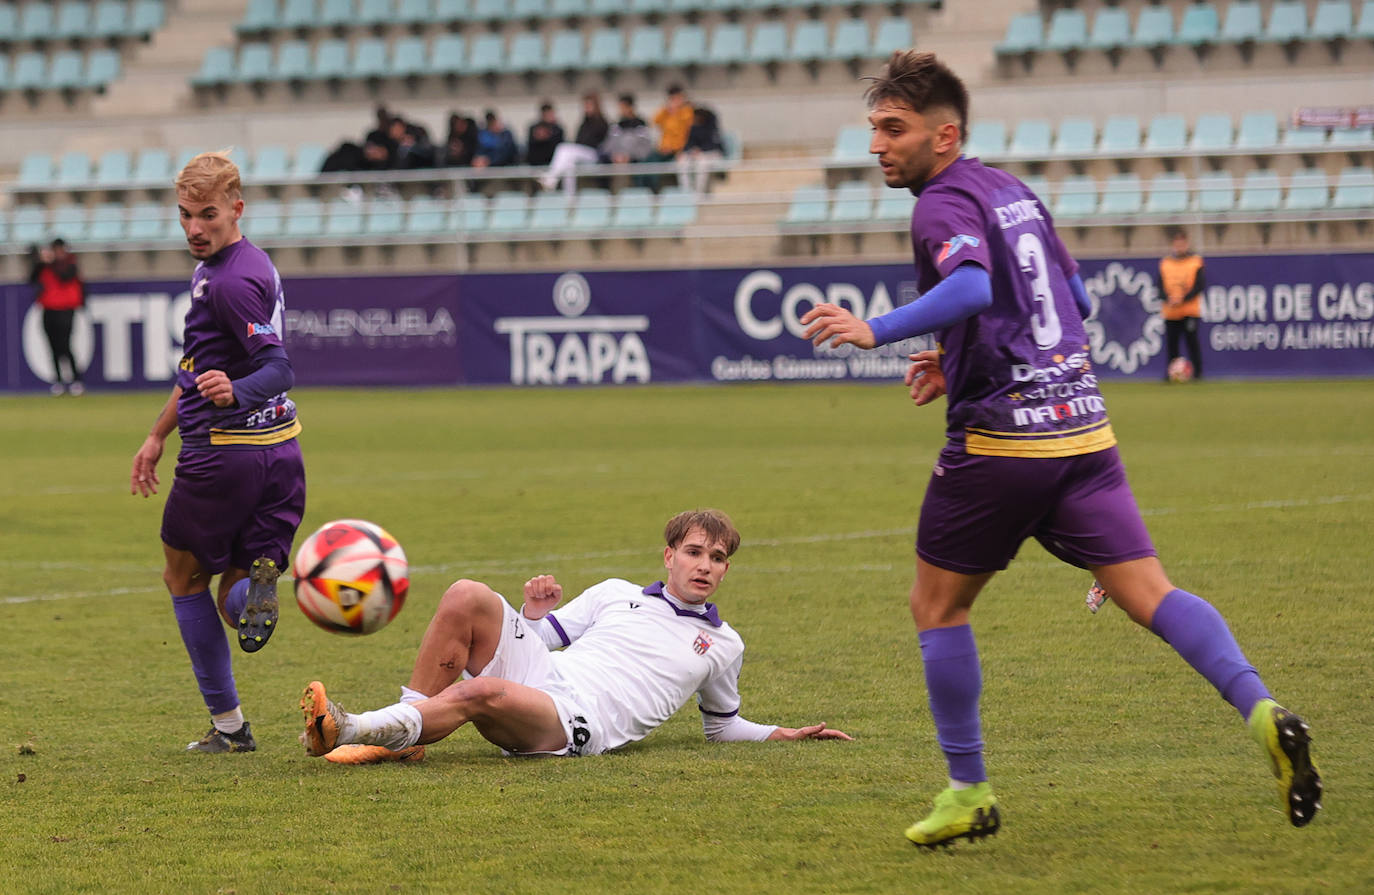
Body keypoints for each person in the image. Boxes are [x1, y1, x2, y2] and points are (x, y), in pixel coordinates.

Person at [798, 51, 1320, 848]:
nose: (877, 144)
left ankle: (968, 789)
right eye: (872, 128)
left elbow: (973, 288)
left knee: (938, 605)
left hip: (1001, 442)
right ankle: (1261, 709)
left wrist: (877, 329)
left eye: (893, 129)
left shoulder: (939, 204)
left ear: (945, 135)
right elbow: (1072, 299)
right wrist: (959, 355)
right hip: (1082, 428)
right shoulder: (1015, 190)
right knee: (1150, 591)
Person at [299, 509, 852, 765]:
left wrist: (780, 734)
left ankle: (348, 728)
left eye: (718, 558)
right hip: (549, 677)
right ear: (669, 555)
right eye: (694, 552)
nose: (705, 565)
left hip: (580, 725)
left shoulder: (725, 645)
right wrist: (532, 613)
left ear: (726, 570)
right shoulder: (615, 592)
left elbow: (722, 726)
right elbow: (539, 637)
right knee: (467, 593)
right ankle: (406, 736)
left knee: (476, 693)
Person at [129, 151, 307, 754]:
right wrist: (157, 434)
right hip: (281, 454)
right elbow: (197, 368)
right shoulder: (248, 262)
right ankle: (251, 590)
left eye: (207, 215)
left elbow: (277, 367)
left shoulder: (227, 281)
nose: (194, 229)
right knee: (235, 599)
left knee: (181, 577)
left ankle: (229, 729)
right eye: (184, 216)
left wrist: (235, 391)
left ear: (237, 207)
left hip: (222, 456)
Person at [30, 238, 86, 396]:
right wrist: (39, 262)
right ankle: (58, 380)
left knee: (65, 345)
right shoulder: (44, 267)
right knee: (52, 346)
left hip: (66, 310)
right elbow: (31, 278)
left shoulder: (70, 264)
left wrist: (51, 263)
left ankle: (76, 379)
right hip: (48, 309)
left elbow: (65, 277)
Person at [537, 93, 609, 196]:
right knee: (569, 165)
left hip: (594, 156)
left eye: (589, 105)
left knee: (563, 148)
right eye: (585, 105)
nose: (586, 108)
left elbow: (598, 144)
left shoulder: (602, 122)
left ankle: (551, 177)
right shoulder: (584, 122)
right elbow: (579, 141)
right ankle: (569, 198)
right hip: (582, 156)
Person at [1158, 229, 1206, 380]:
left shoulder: (1195, 262)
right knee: (1172, 345)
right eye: (1177, 244)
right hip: (1171, 312)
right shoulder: (1165, 263)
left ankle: (1197, 374)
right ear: (1173, 245)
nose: (1179, 247)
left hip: (1189, 310)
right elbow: (1159, 287)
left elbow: (1199, 285)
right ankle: (1171, 373)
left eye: (1182, 244)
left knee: (1192, 343)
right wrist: (1168, 298)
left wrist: (1182, 299)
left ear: (1186, 244)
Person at [637, 84, 694, 190]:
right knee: (644, 163)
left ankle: (655, 190)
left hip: (678, 150)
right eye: (672, 98)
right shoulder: (666, 112)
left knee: (655, 166)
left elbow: (687, 133)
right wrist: (666, 109)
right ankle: (644, 191)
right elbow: (653, 121)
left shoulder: (687, 112)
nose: (675, 101)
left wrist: (677, 112)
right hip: (663, 149)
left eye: (677, 98)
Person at [675, 106, 724, 196]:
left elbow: (714, 145)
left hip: (712, 155)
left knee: (702, 164)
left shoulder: (712, 128)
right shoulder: (694, 128)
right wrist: (687, 151)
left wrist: (701, 150)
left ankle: (699, 193)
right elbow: (689, 143)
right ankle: (686, 192)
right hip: (697, 155)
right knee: (682, 162)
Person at [601, 93, 654, 165]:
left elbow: (646, 149)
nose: (621, 110)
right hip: (615, 162)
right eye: (620, 107)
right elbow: (607, 146)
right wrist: (614, 155)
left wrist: (630, 157)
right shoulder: (616, 126)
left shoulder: (641, 126)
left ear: (631, 107)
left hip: (635, 163)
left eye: (623, 107)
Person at [524, 101, 565, 168]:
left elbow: (560, 146)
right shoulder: (534, 128)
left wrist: (549, 135)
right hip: (536, 163)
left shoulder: (558, 129)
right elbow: (531, 146)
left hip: (553, 162)